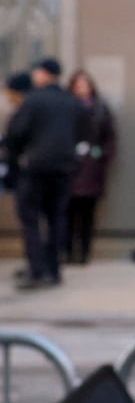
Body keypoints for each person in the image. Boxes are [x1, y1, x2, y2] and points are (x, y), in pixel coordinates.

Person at [8, 59, 80, 290]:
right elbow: (83, 132)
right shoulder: (71, 101)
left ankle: (36, 270)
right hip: (64, 168)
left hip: (35, 167)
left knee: (30, 219)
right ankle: (54, 269)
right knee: (57, 218)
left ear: (44, 74)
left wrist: (15, 159)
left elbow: (15, 133)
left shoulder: (34, 100)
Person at [65, 69, 117, 265]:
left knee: (87, 214)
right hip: (69, 166)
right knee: (68, 213)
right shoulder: (65, 107)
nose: (81, 89)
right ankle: (68, 252)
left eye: (85, 85)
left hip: (92, 168)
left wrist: (101, 155)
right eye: (78, 85)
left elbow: (109, 136)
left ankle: (84, 253)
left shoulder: (100, 108)